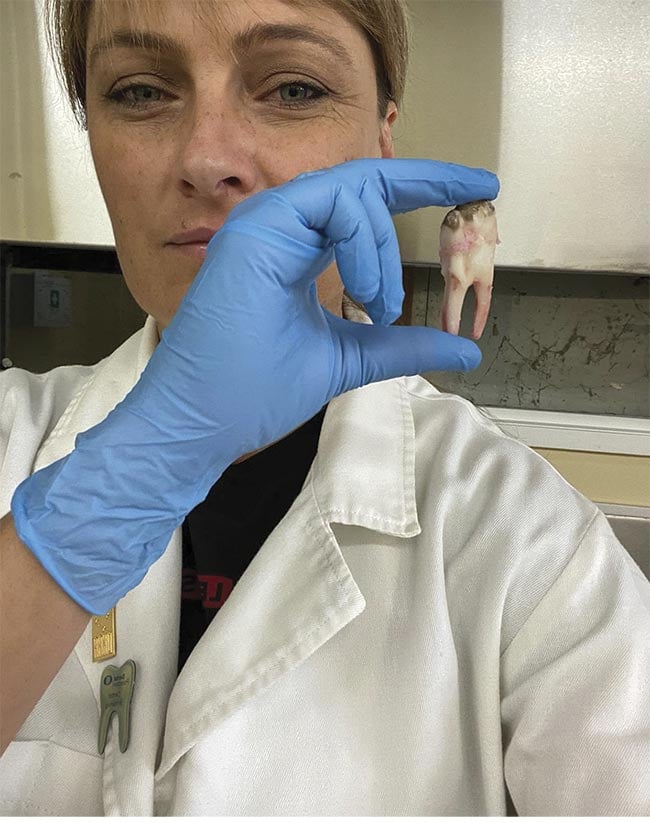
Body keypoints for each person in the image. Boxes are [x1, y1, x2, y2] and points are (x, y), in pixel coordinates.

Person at [0, 0, 648, 815]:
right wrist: (113, 490)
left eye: (295, 89)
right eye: (138, 92)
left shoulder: (534, 553)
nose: (207, 156)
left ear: (382, 140)